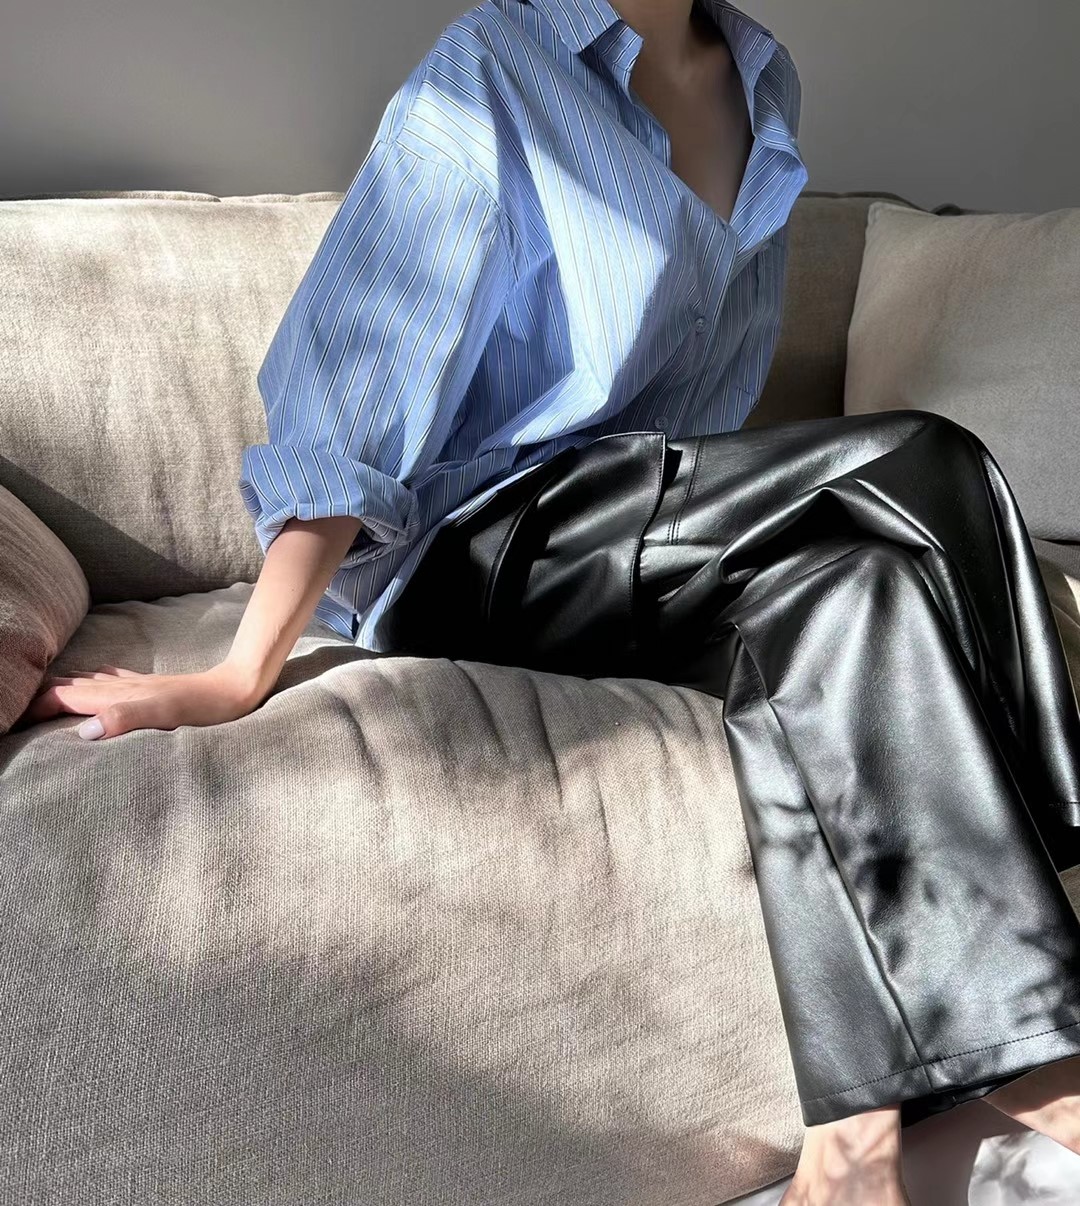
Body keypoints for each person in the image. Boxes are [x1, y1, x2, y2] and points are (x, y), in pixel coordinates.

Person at [20, 0, 1080, 1200]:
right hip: (475, 550)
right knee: (921, 461)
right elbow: (354, 389)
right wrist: (240, 669)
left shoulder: (763, 81)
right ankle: (1041, 1021)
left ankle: (855, 1141)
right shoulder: (497, 67)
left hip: (647, 534)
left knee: (854, 588)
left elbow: (705, 408)